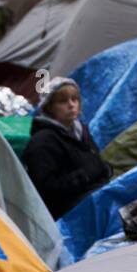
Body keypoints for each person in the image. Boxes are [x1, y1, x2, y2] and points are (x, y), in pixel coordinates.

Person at [23, 78, 112, 220]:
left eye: (74, 99)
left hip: (90, 195)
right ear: (50, 107)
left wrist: (104, 168)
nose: (71, 105)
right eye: (63, 101)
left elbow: (95, 162)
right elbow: (46, 190)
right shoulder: (43, 142)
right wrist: (84, 176)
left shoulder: (81, 132)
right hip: (67, 213)